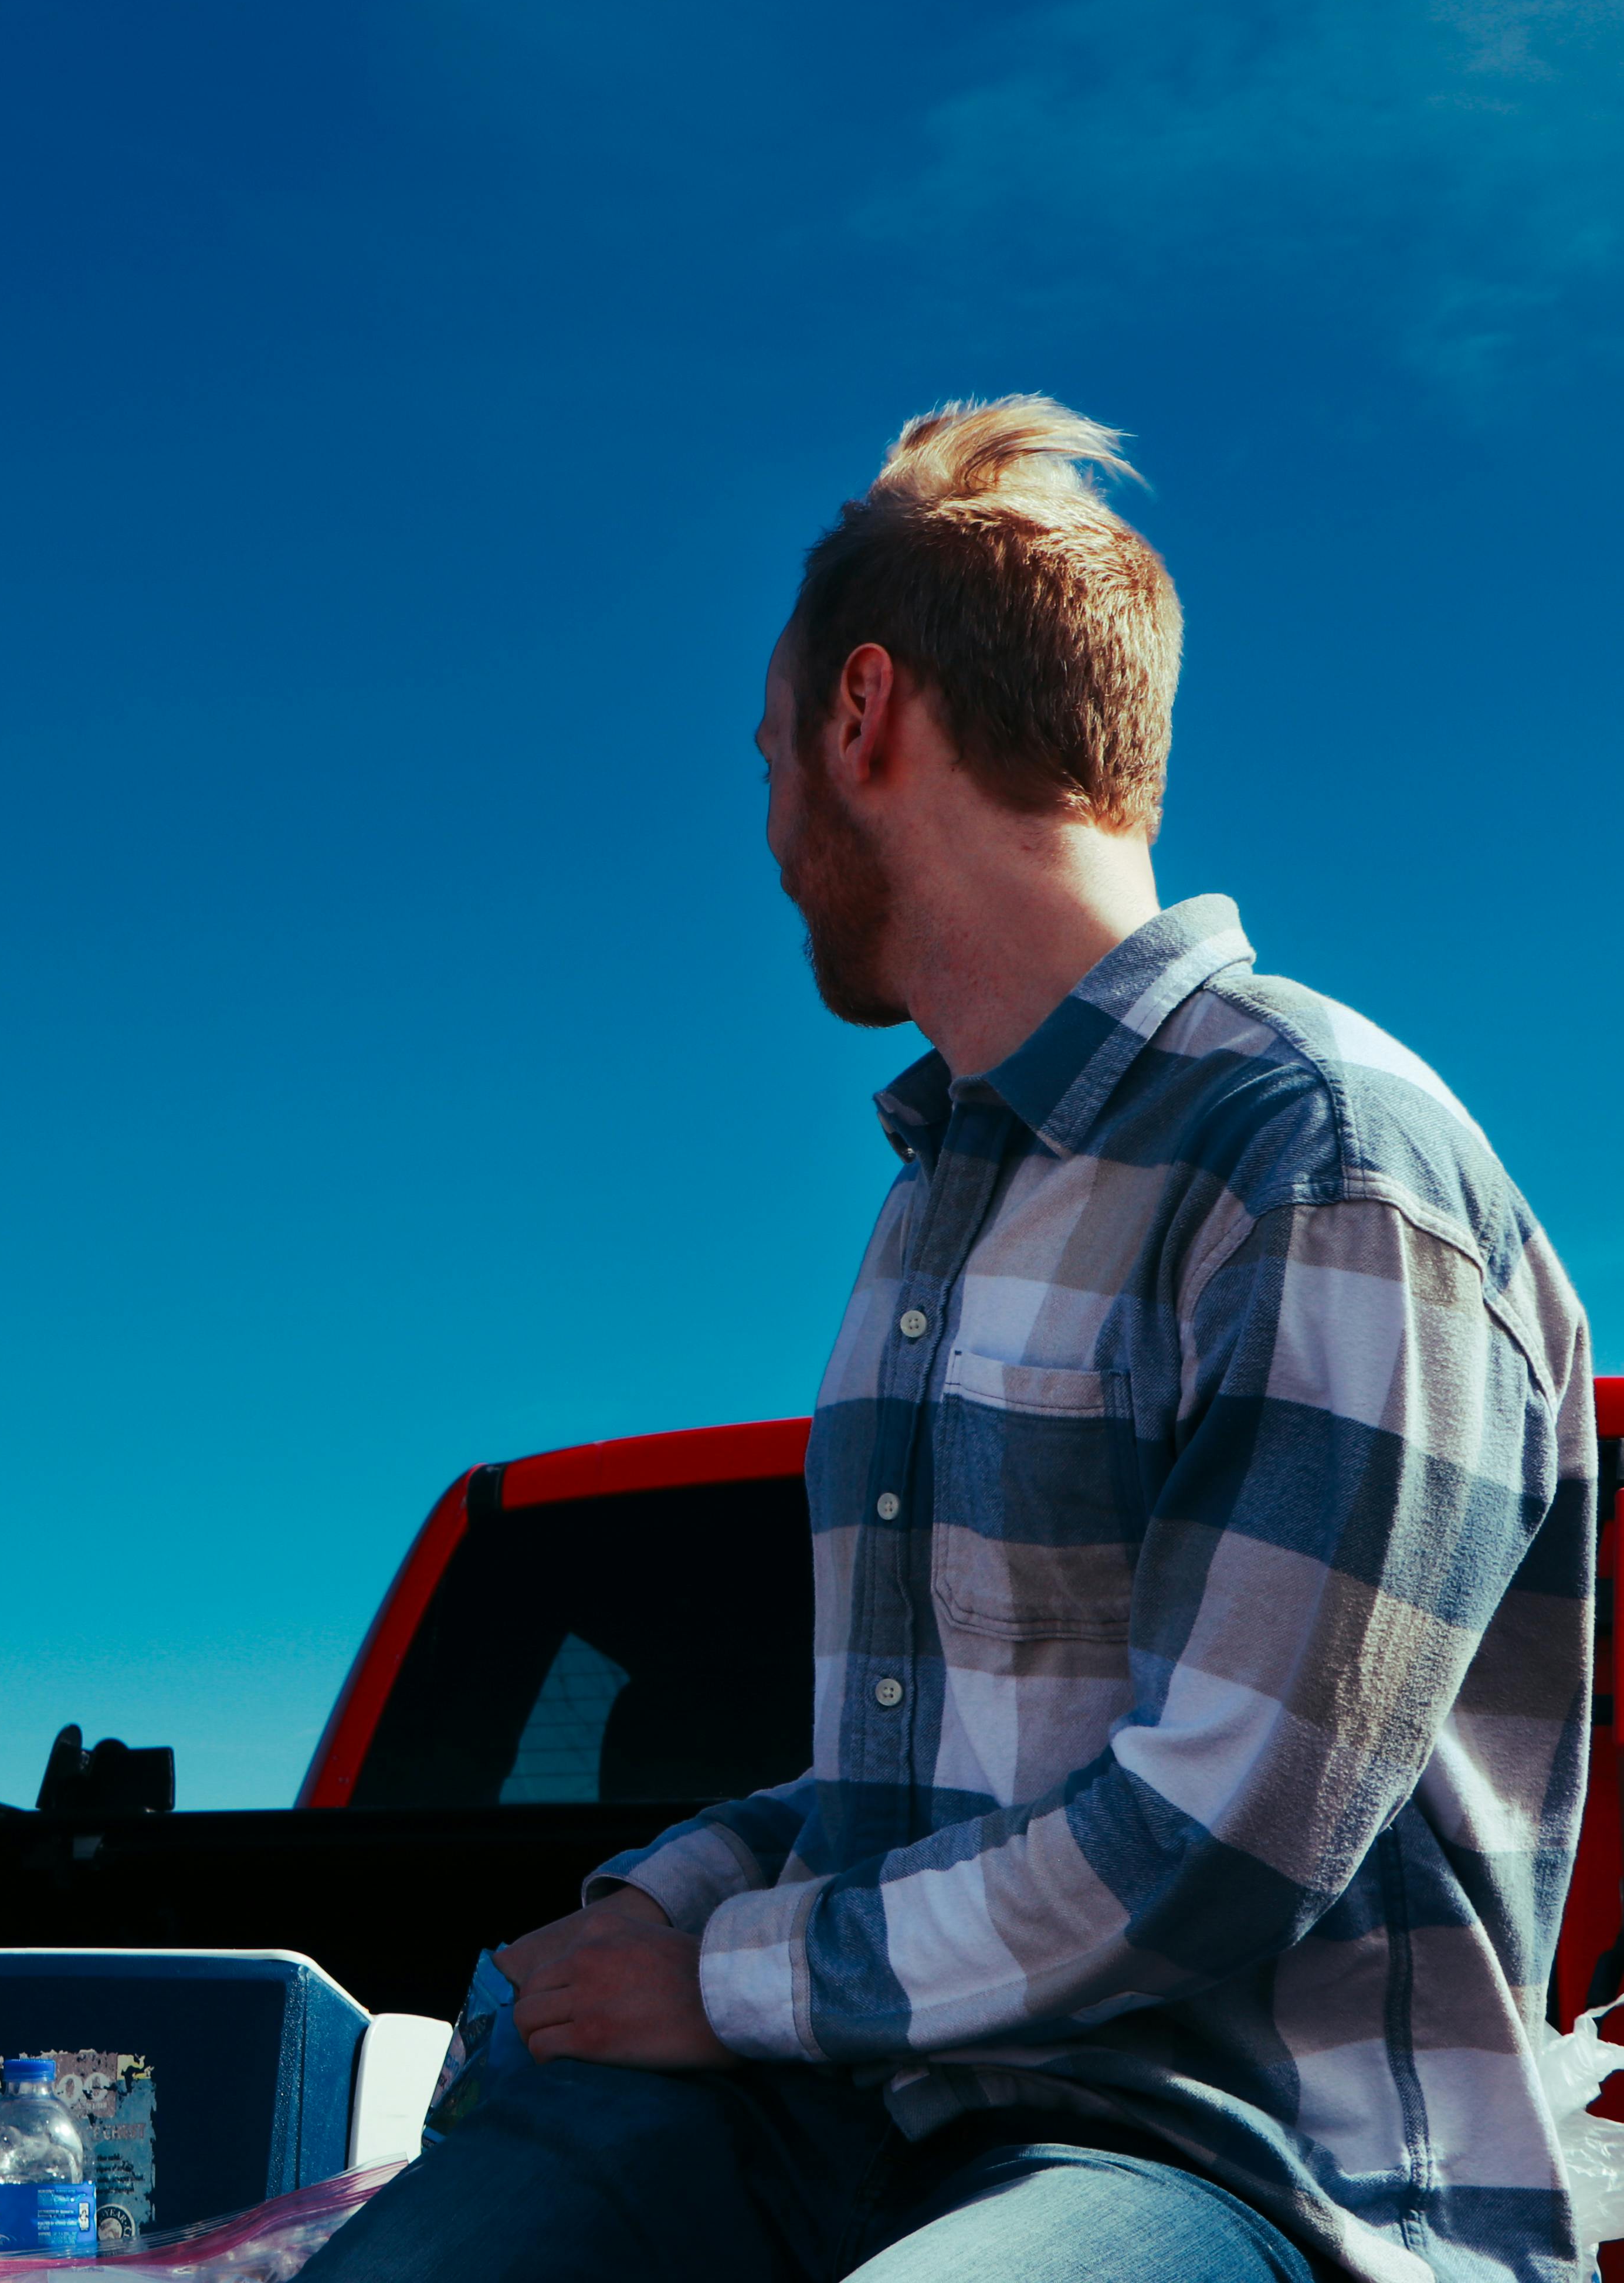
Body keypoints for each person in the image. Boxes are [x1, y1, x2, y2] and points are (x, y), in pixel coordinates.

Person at [301, 401, 1596, 2283]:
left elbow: (1219, 1838)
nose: (763, 836)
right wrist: (636, 1922)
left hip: (1240, 2166)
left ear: (859, 717)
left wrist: (724, 1982)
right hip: (856, 2106)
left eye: (764, 756)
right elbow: (904, 1785)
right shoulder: (937, 1197)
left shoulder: (1317, 1161)